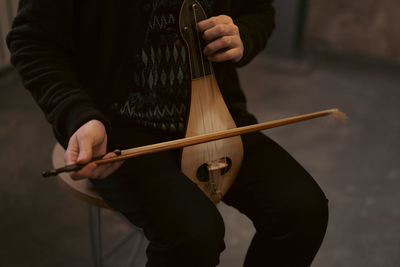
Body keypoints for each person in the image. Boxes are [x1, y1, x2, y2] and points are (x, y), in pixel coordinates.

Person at [7, 0, 328, 266]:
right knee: (194, 239)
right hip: (117, 127)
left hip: (216, 115)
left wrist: (242, 36)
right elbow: (32, 42)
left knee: (302, 211)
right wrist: (77, 117)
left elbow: (259, 11)